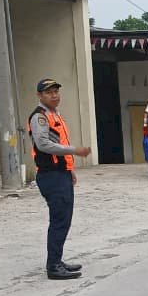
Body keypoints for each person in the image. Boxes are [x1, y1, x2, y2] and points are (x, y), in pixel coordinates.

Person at [28, 77, 91, 280]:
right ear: (40, 96)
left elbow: (59, 142)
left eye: (56, 91)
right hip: (50, 175)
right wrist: (75, 151)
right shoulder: (40, 118)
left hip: (60, 173)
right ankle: (53, 266)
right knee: (59, 220)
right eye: (49, 92)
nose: (54, 95)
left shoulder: (55, 115)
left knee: (64, 219)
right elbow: (44, 145)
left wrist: (70, 168)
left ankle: (57, 260)